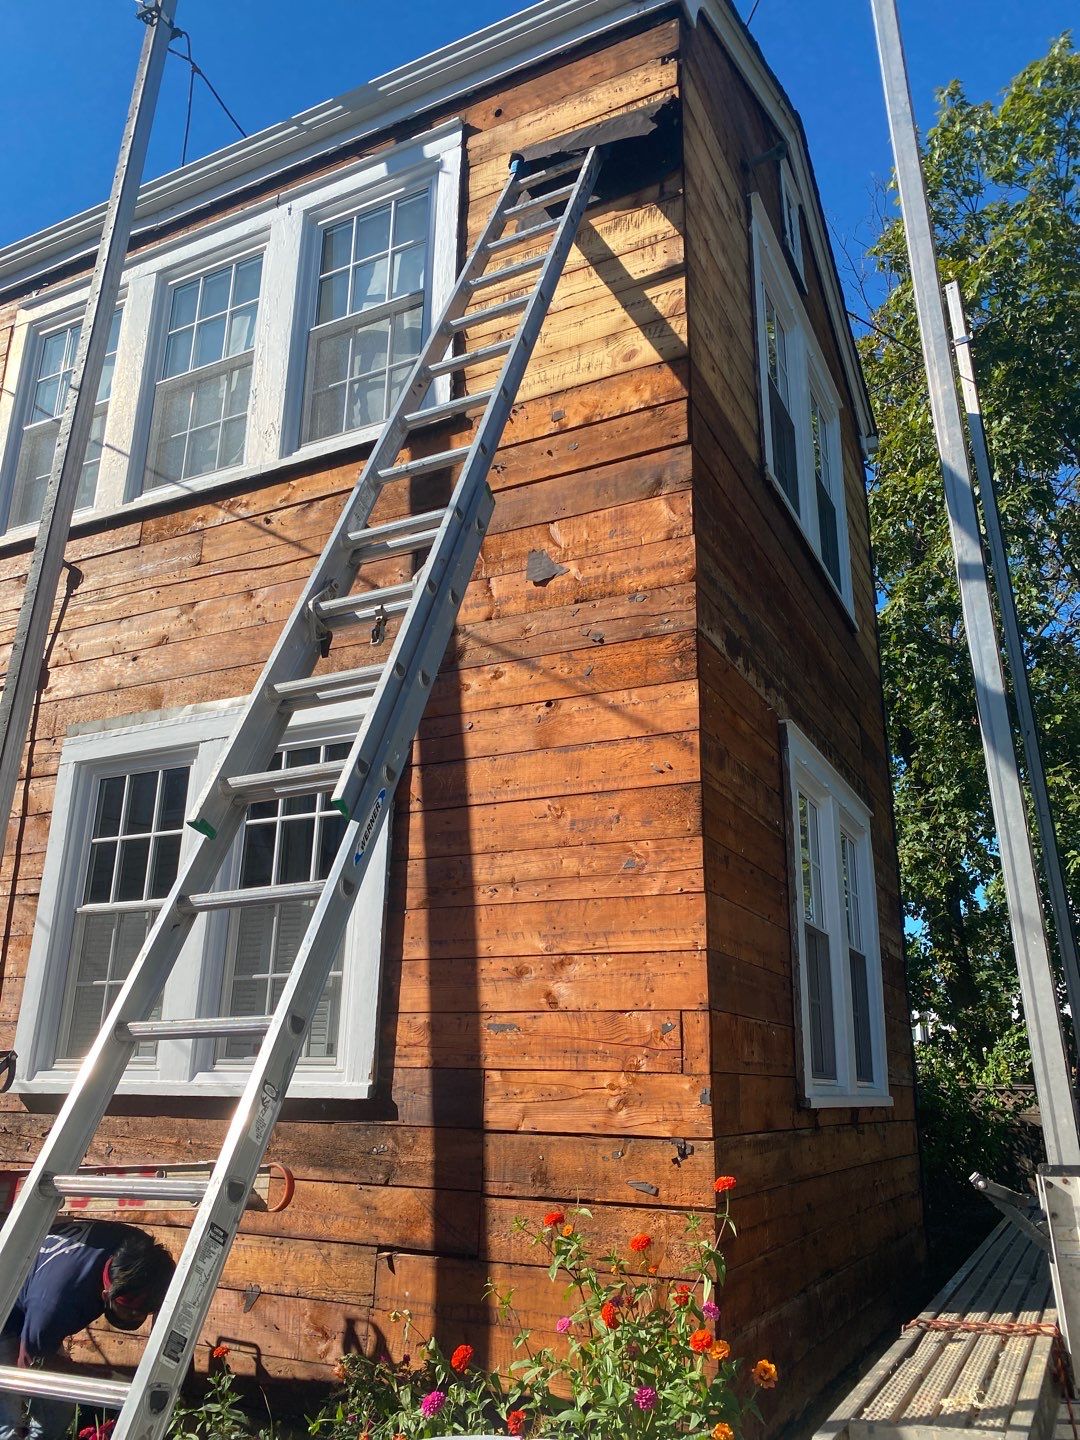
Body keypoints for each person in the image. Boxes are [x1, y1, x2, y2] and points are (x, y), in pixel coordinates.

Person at [0, 1221, 175, 1440]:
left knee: (58, 1409)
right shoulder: (57, 1303)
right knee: (8, 1421)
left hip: (32, 1285)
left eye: (146, 1311)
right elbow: (33, 1365)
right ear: (106, 1294)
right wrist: (107, 1380)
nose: (139, 1318)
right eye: (130, 1312)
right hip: (6, 1308)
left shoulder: (141, 1253)